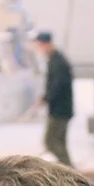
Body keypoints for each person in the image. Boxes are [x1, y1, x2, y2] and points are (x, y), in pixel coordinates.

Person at [32, 31, 74, 167]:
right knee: (60, 142)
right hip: (60, 108)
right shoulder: (54, 60)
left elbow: (57, 86)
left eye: (39, 46)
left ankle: (69, 169)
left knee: (50, 141)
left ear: (45, 44)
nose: (39, 50)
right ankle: (68, 170)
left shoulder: (58, 62)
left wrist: (45, 98)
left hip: (60, 110)